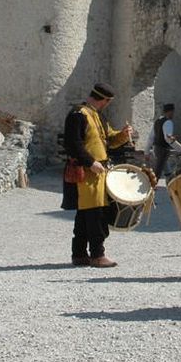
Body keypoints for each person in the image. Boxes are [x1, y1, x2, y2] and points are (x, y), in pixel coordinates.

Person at [65, 82, 133, 267]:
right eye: (108, 101)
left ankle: (79, 254)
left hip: (97, 172)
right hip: (86, 172)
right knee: (95, 216)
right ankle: (97, 254)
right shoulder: (78, 115)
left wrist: (123, 135)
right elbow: (73, 144)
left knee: (85, 215)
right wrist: (90, 162)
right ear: (104, 100)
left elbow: (109, 140)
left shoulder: (97, 116)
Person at [150, 103, 176, 183]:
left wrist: (147, 151)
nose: (173, 114)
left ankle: (171, 181)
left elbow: (151, 136)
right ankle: (151, 186)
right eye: (172, 112)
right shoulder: (168, 122)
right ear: (170, 112)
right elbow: (167, 138)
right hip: (163, 149)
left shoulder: (157, 121)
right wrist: (174, 143)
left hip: (156, 148)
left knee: (165, 167)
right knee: (158, 170)